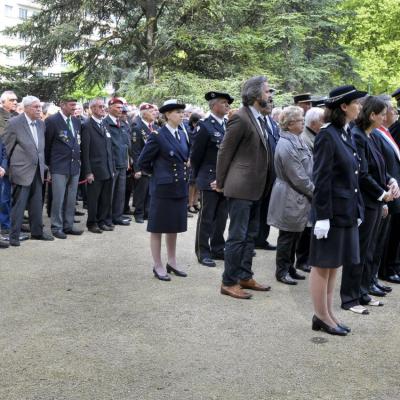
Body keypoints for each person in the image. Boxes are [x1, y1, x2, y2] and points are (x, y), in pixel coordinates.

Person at [308, 85, 366, 336]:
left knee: (334, 265)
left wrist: (358, 208)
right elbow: (321, 180)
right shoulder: (327, 134)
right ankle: (321, 316)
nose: (360, 107)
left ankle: (328, 313)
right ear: (344, 106)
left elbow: (352, 176)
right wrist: (322, 217)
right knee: (323, 264)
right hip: (330, 213)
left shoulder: (345, 133)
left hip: (345, 210)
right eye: (357, 103)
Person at [341, 96, 400, 314]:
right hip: (365, 202)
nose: (386, 117)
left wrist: (390, 180)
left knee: (368, 249)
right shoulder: (358, 136)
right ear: (373, 115)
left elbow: (380, 167)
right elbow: (362, 174)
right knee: (358, 250)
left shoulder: (371, 135)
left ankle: (362, 291)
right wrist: (381, 194)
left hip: (375, 201)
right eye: (382, 113)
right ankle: (349, 297)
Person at [215, 75, 272, 299]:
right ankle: (228, 282)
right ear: (256, 95)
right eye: (268, 91)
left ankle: (244, 276)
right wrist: (220, 182)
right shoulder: (240, 117)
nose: (270, 95)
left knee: (250, 236)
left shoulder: (258, 117)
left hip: (256, 188)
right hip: (241, 189)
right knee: (237, 237)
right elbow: (224, 151)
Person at [138, 99, 190, 281]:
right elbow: (143, 162)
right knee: (158, 228)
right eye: (177, 112)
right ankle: (158, 265)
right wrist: (159, 174)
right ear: (167, 114)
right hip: (162, 188)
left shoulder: (183, 135)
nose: (181, 115)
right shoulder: (157, 135)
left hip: (179, 187)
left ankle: (172, 262)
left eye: (182, 113)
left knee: (173, 227)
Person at [267, 106, 313, 285]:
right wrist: (314, 191)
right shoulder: (286, 144)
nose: (303, 123)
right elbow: (298, 176)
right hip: (290, 194)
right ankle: (282, 270)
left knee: (295, 234)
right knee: (287, 235)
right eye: (301, 120)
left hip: (298, 195)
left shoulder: (296, 139)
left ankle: (290, 267)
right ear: (291, 123)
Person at [3, 96, 54, 246]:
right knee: (18, 206)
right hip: (20, 172)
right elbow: (6, 148)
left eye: (40, 107)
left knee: (36, 204)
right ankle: (14, 236)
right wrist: (7, 169)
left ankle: (37, 232)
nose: (39, 109)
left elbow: (40, 148)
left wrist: (44, 166)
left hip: (38, 171)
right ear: (25, 108)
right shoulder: (14, 123)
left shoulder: (40, 124)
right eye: (35, 107)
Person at [191, 91, 233, 267]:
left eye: (227, 103)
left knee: (222, 216)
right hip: (209, 177)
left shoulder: (228, 125)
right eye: (224, 103)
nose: (227, 106)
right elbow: (196, 156)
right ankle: (203, 251)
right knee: (207, 217)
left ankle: (217, 248)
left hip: (225, 178)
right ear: (214, 105)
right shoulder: (204, 126)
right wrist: (204, 177)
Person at [44, 97, 83, 239]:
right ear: (62, 105)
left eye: (75, 105)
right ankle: (56, 226)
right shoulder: (52, 121)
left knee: (71, 198)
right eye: (72, 105)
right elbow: (47, 146)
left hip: (74, 165)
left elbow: (78, 142)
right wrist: (50, 164)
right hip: (59, 165)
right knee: (58, 198)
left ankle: (68, 225)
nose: (74, 108)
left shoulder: (76, 121)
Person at [295, 107, 325, 273]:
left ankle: (305, 258)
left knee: (310, 226)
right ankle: (302, 259)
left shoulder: (313, 135)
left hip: (313, 186)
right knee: (305, 227)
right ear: (314, 123)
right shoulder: (306, 138)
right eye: (322, 120)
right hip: (308, 187)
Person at [374, 96, 400, 284]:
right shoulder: (378, 133)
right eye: (390, 110)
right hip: (387, 190)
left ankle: (390, 267)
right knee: (387, 235)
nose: (393, 113)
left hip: (394, 186)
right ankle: (386, 269)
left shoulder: (386, 131)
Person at [81, 98, 115, 233]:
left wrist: (112, 168)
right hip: (95, 170)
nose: (103, 109)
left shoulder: (104, 124)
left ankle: (102, 221)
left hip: (107, 168)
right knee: (93, 199)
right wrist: (88, 172)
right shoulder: (87, 125)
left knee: (105, 198)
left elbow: (109, 149)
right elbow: (85, 151)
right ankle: (92, 223)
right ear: (93, 109)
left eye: (103, 106)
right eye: (100, 107)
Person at [255, 92, 280, 251]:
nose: (270, 104)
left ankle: (261, 239)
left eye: (272, 102)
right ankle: (250, 241)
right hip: (258, 174)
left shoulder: (272, 122)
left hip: (271, 174)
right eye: (268, 101)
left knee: (266, 209)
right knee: (255, 210)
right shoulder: (256, 121)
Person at [103, 98, 131, 226]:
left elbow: (126, 145)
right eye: (117, 107)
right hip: (111, 164)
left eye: (121, 108)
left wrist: (128, 161)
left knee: (120, 192)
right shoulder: (105, 123)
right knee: (109, 193)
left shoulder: (124, 124)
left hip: (122, 163)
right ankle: (106, 218)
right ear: (109, 107)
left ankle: (117, 216)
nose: (121, 110)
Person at [130, 103, 157, 223]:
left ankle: (148, 212)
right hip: (143, 165)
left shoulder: (155, 127)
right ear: (144, 114)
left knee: (150, 192)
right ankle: (139, 213)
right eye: (151, 112)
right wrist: (137, 169)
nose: (154, 114)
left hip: (153, 165)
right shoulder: (137, 127)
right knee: (141, 191)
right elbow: (135, 151)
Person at [0, 90, 19, 237]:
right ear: (3, 101)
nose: (15, 102)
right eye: (12, 100)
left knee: (11, 196)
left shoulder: (17, 117)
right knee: (4, 197)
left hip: (16, 163)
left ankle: (11, 223)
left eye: (16, 100)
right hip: (3, 163)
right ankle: (5, 225)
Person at [0, 137, 9, 248]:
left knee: (4, 201)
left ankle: (5, 228)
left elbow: (5, 151)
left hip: (2, 173)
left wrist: (3, 167)